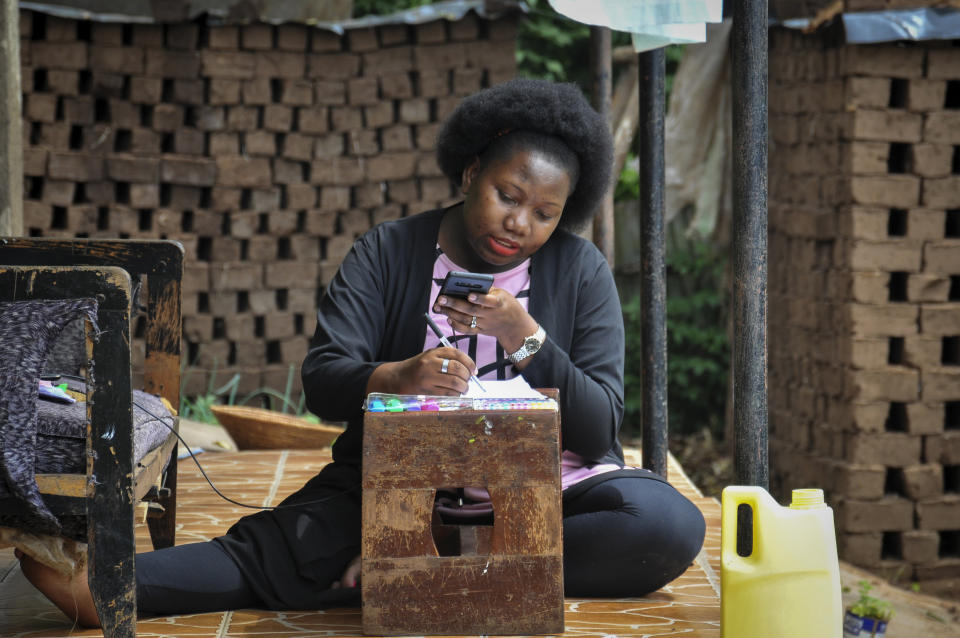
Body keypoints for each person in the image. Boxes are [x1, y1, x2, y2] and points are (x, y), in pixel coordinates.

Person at [19, 77, 704, 626]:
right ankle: (104, 588)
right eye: (507, 195)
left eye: (544, 213)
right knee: (283, 550)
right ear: (470, 174)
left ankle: (414, 572)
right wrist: (400, 375)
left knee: (665, 524)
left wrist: (526, 338)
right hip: (399, 486)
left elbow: (601, 427)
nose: (520, 224)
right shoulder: (389, 250)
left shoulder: (579, 272)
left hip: (546, 491)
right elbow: (323, 379)